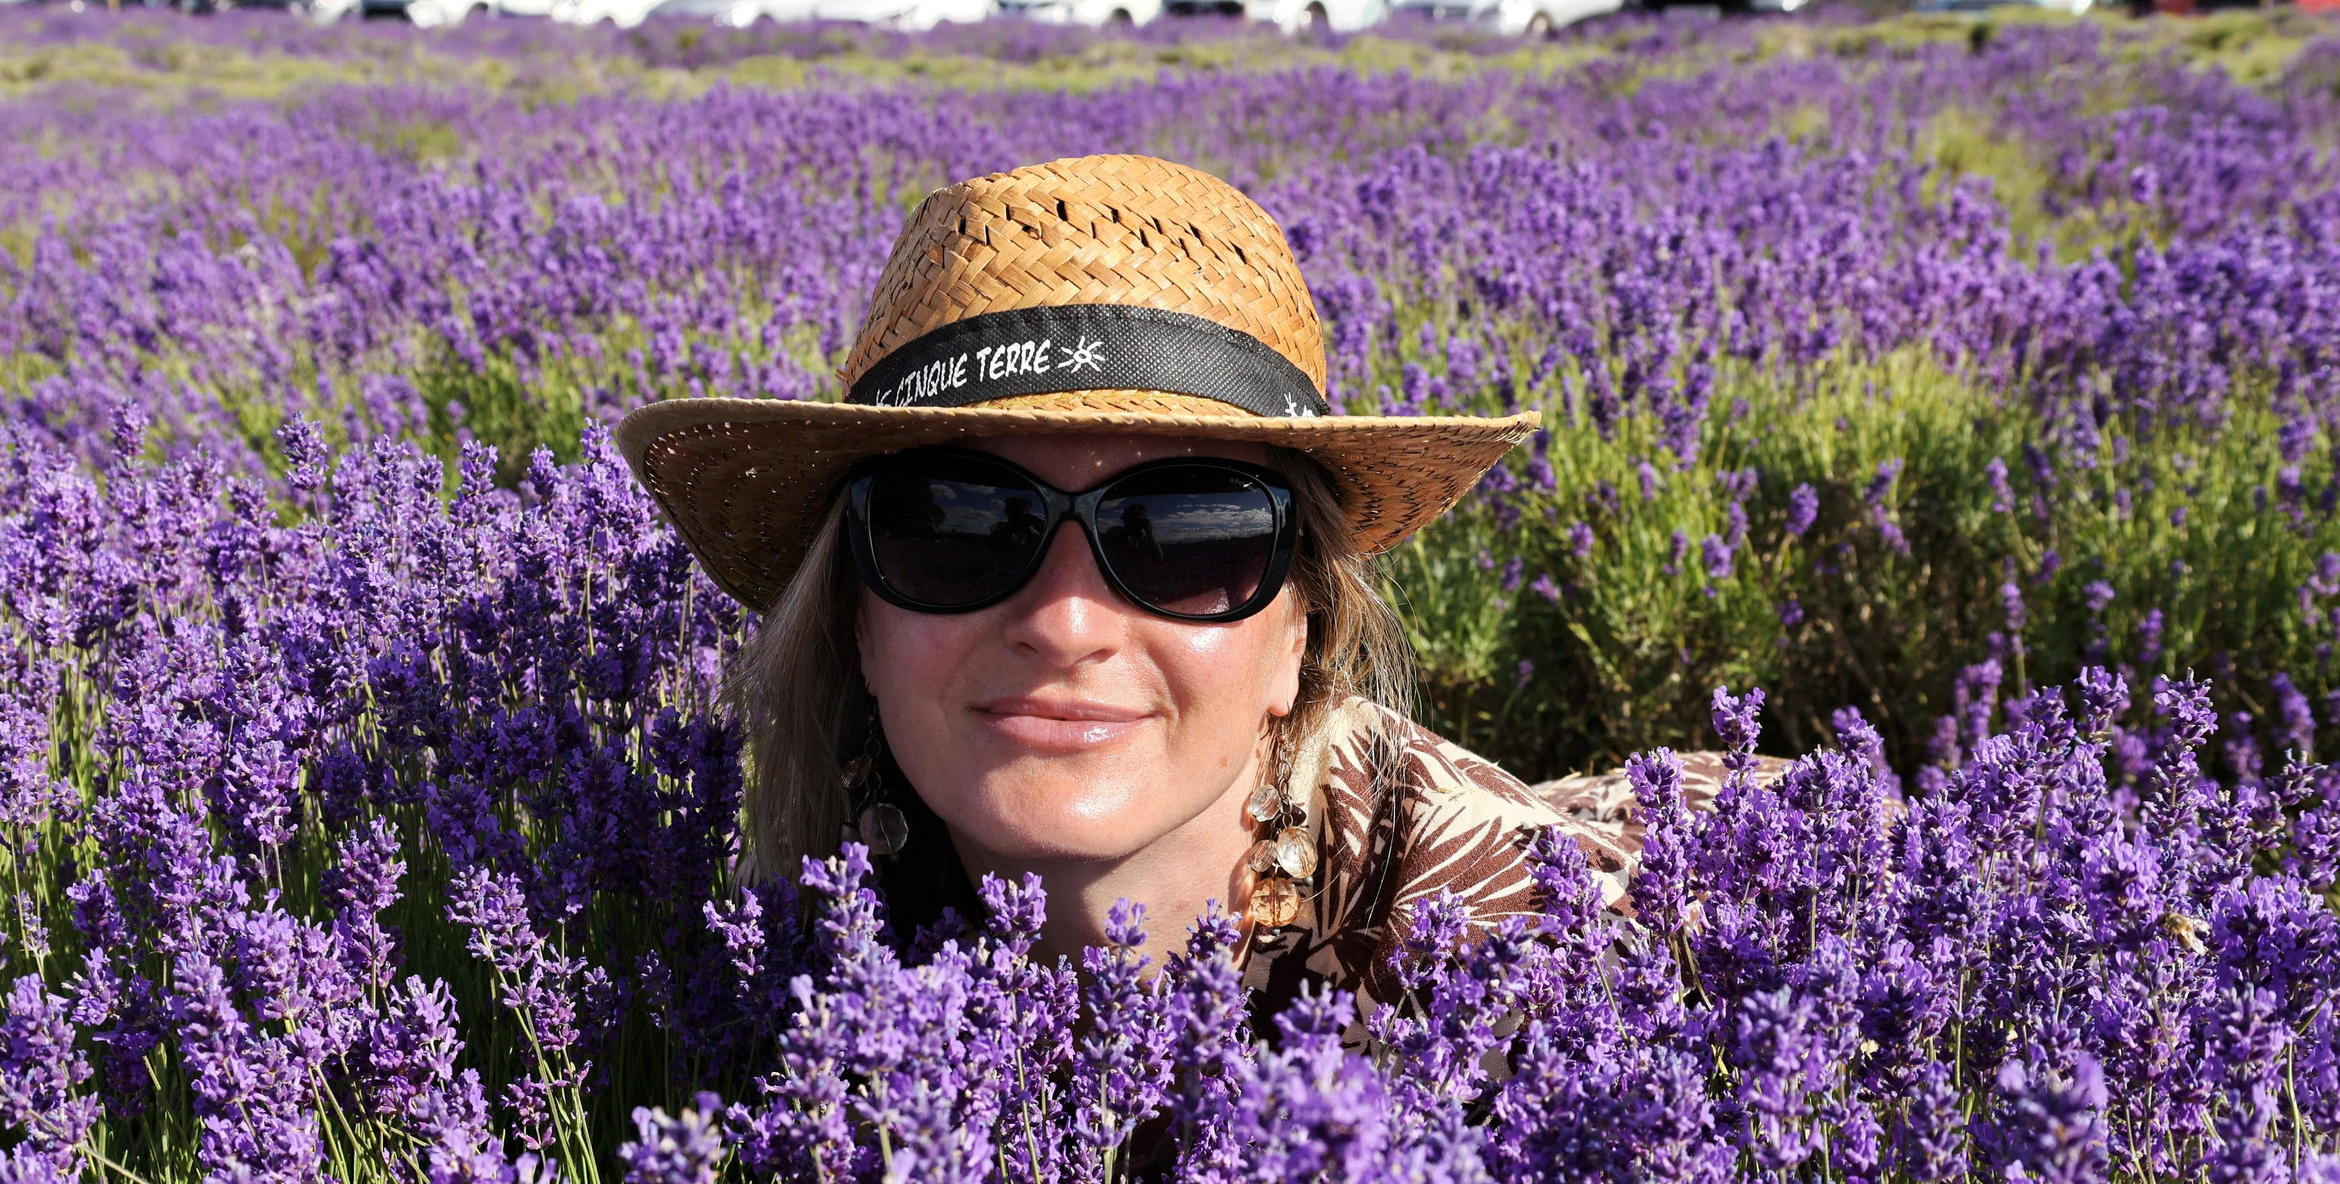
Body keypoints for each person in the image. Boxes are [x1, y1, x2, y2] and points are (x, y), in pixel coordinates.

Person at [618, 154, 1745, 1017]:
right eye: (953, 526)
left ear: (1299, 630)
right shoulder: (783, 941)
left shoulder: (1511, 972)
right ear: (857, 620)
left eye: (1186, 535)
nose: (1065, 623)